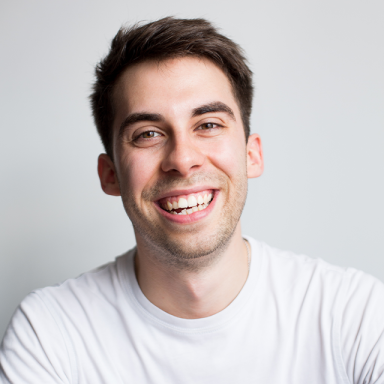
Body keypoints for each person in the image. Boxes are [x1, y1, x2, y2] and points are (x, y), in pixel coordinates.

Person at [1, 16, 383, 384]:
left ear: (252, 155)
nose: (183, 160)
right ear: (111, 174)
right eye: (148, 134)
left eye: (208, 125)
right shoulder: (50, 334)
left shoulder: (355, 314)